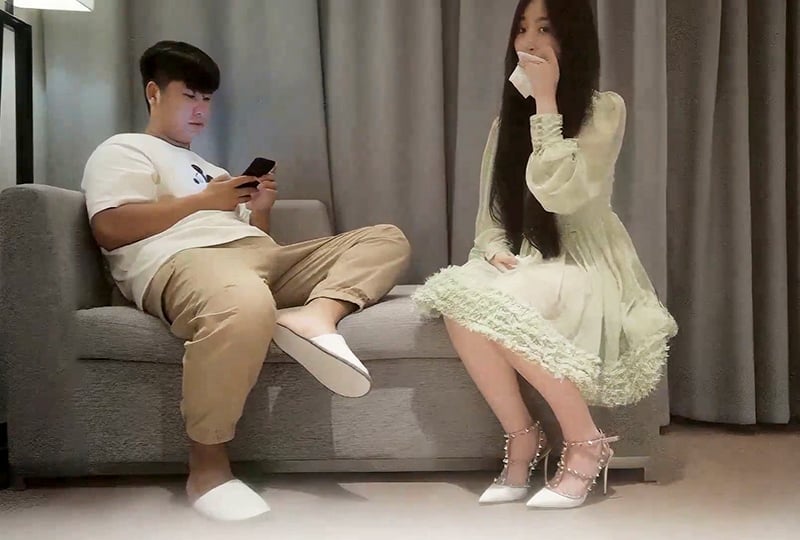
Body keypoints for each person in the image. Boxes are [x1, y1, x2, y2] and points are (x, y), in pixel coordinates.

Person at [81, 40, 410, 521]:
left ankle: (316, 316)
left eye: (207, 99)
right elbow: (109, 227)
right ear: (154, 93)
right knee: (245, 303)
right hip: (185, 261)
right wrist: (203, 202)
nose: (201, 109)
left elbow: (255, 242)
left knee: (385, 238)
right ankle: (208, 468)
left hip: (256, 257)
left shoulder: (212, 170)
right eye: (189, 96)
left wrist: (259, 212)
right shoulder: (123, 149)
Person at [413, 0, 677, 509]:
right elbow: (491, 216)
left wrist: (547, 102)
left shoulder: (605, 109)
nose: (529, 42)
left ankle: (585, 441)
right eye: (521, 29)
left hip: (586, 260)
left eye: (544, 29)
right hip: (528, 256)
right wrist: (493, 250)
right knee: (457, 297)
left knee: (502, 304)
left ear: (571, 38)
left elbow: (563, 195)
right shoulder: (505, 124)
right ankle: (523, 436)